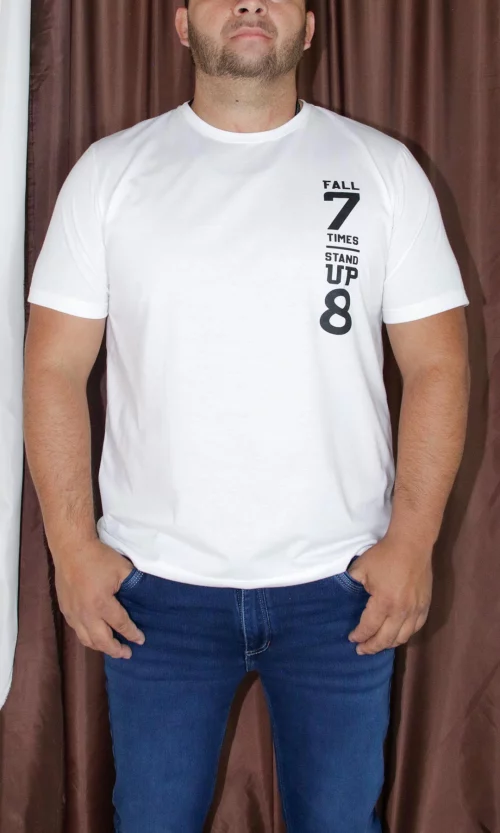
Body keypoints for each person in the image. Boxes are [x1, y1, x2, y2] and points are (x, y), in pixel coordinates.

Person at [23, 0, 470, 828]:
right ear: (182, 23)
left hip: (341, 592)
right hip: (156, 594)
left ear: (309, 25)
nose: (251, 3)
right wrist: (72, 548)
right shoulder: (109, 173)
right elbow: (52, 369)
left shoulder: (381, 170)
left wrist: (412, 542)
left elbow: (438, 365)